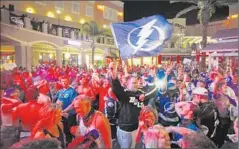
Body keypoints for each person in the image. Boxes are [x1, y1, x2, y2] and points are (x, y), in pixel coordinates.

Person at [109, 62, 157, 148]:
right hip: (125, 129)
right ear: (127, 84)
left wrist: (152, 77)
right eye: (133, 83)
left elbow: (155, 90)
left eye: (136, 82)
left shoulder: (141, 93)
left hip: (137, 128)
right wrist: (114, 76)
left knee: (136, 146)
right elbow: (116, 88)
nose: (136, 84)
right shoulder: (124, 94)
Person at [55, 75, 77, 144]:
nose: (64, 83)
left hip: (70, 114)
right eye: (62, 82)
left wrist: (65, 111)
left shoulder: (72, 91)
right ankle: (68, 143)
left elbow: (73, 104)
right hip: (61, 114)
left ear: (68, 81)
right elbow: (56, 101)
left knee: (72, 130)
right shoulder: (60, 92)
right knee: (65, 130)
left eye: (65, 81)